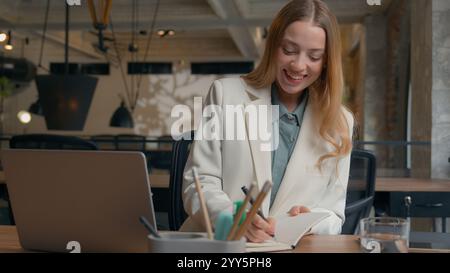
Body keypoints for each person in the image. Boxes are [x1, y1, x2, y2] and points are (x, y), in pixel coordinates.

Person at [180, 0, 354, 243]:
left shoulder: (341, 122)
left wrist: (312, 220)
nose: (298, 65)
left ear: (326, 61)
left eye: (314, 56)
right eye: (289, 50)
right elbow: (198, 183)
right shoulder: (224, 94)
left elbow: (334, 214)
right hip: (220, 246)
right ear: (273, 46)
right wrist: (233, 217)